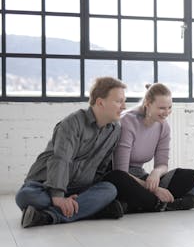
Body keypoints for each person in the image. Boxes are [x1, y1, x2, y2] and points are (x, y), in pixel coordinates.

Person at [15, 77, 128, 228]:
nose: (124, 106)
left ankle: (47, 217)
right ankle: (88, 210)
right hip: (45, 184)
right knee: (25, 196)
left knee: (109, 190)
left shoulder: (115, 129)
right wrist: (57, 196)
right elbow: (60, 159)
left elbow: (102, 167)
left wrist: (89, 191)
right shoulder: (72, 123)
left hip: (78, 188)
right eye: (119, 101)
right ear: (100, 102)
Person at [103, 83, 194, 213]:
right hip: (122, 177)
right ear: (148, 104)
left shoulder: (163, 126)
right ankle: (164, 203)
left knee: (190, 176)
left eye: (169, 107)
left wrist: (156, 173)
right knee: (119, 179)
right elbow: (121, 171)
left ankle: (138, 204)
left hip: (142, 178)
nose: (166, 113)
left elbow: (162, 165)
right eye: (161, 108)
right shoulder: (127, 122)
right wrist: (154, 189)